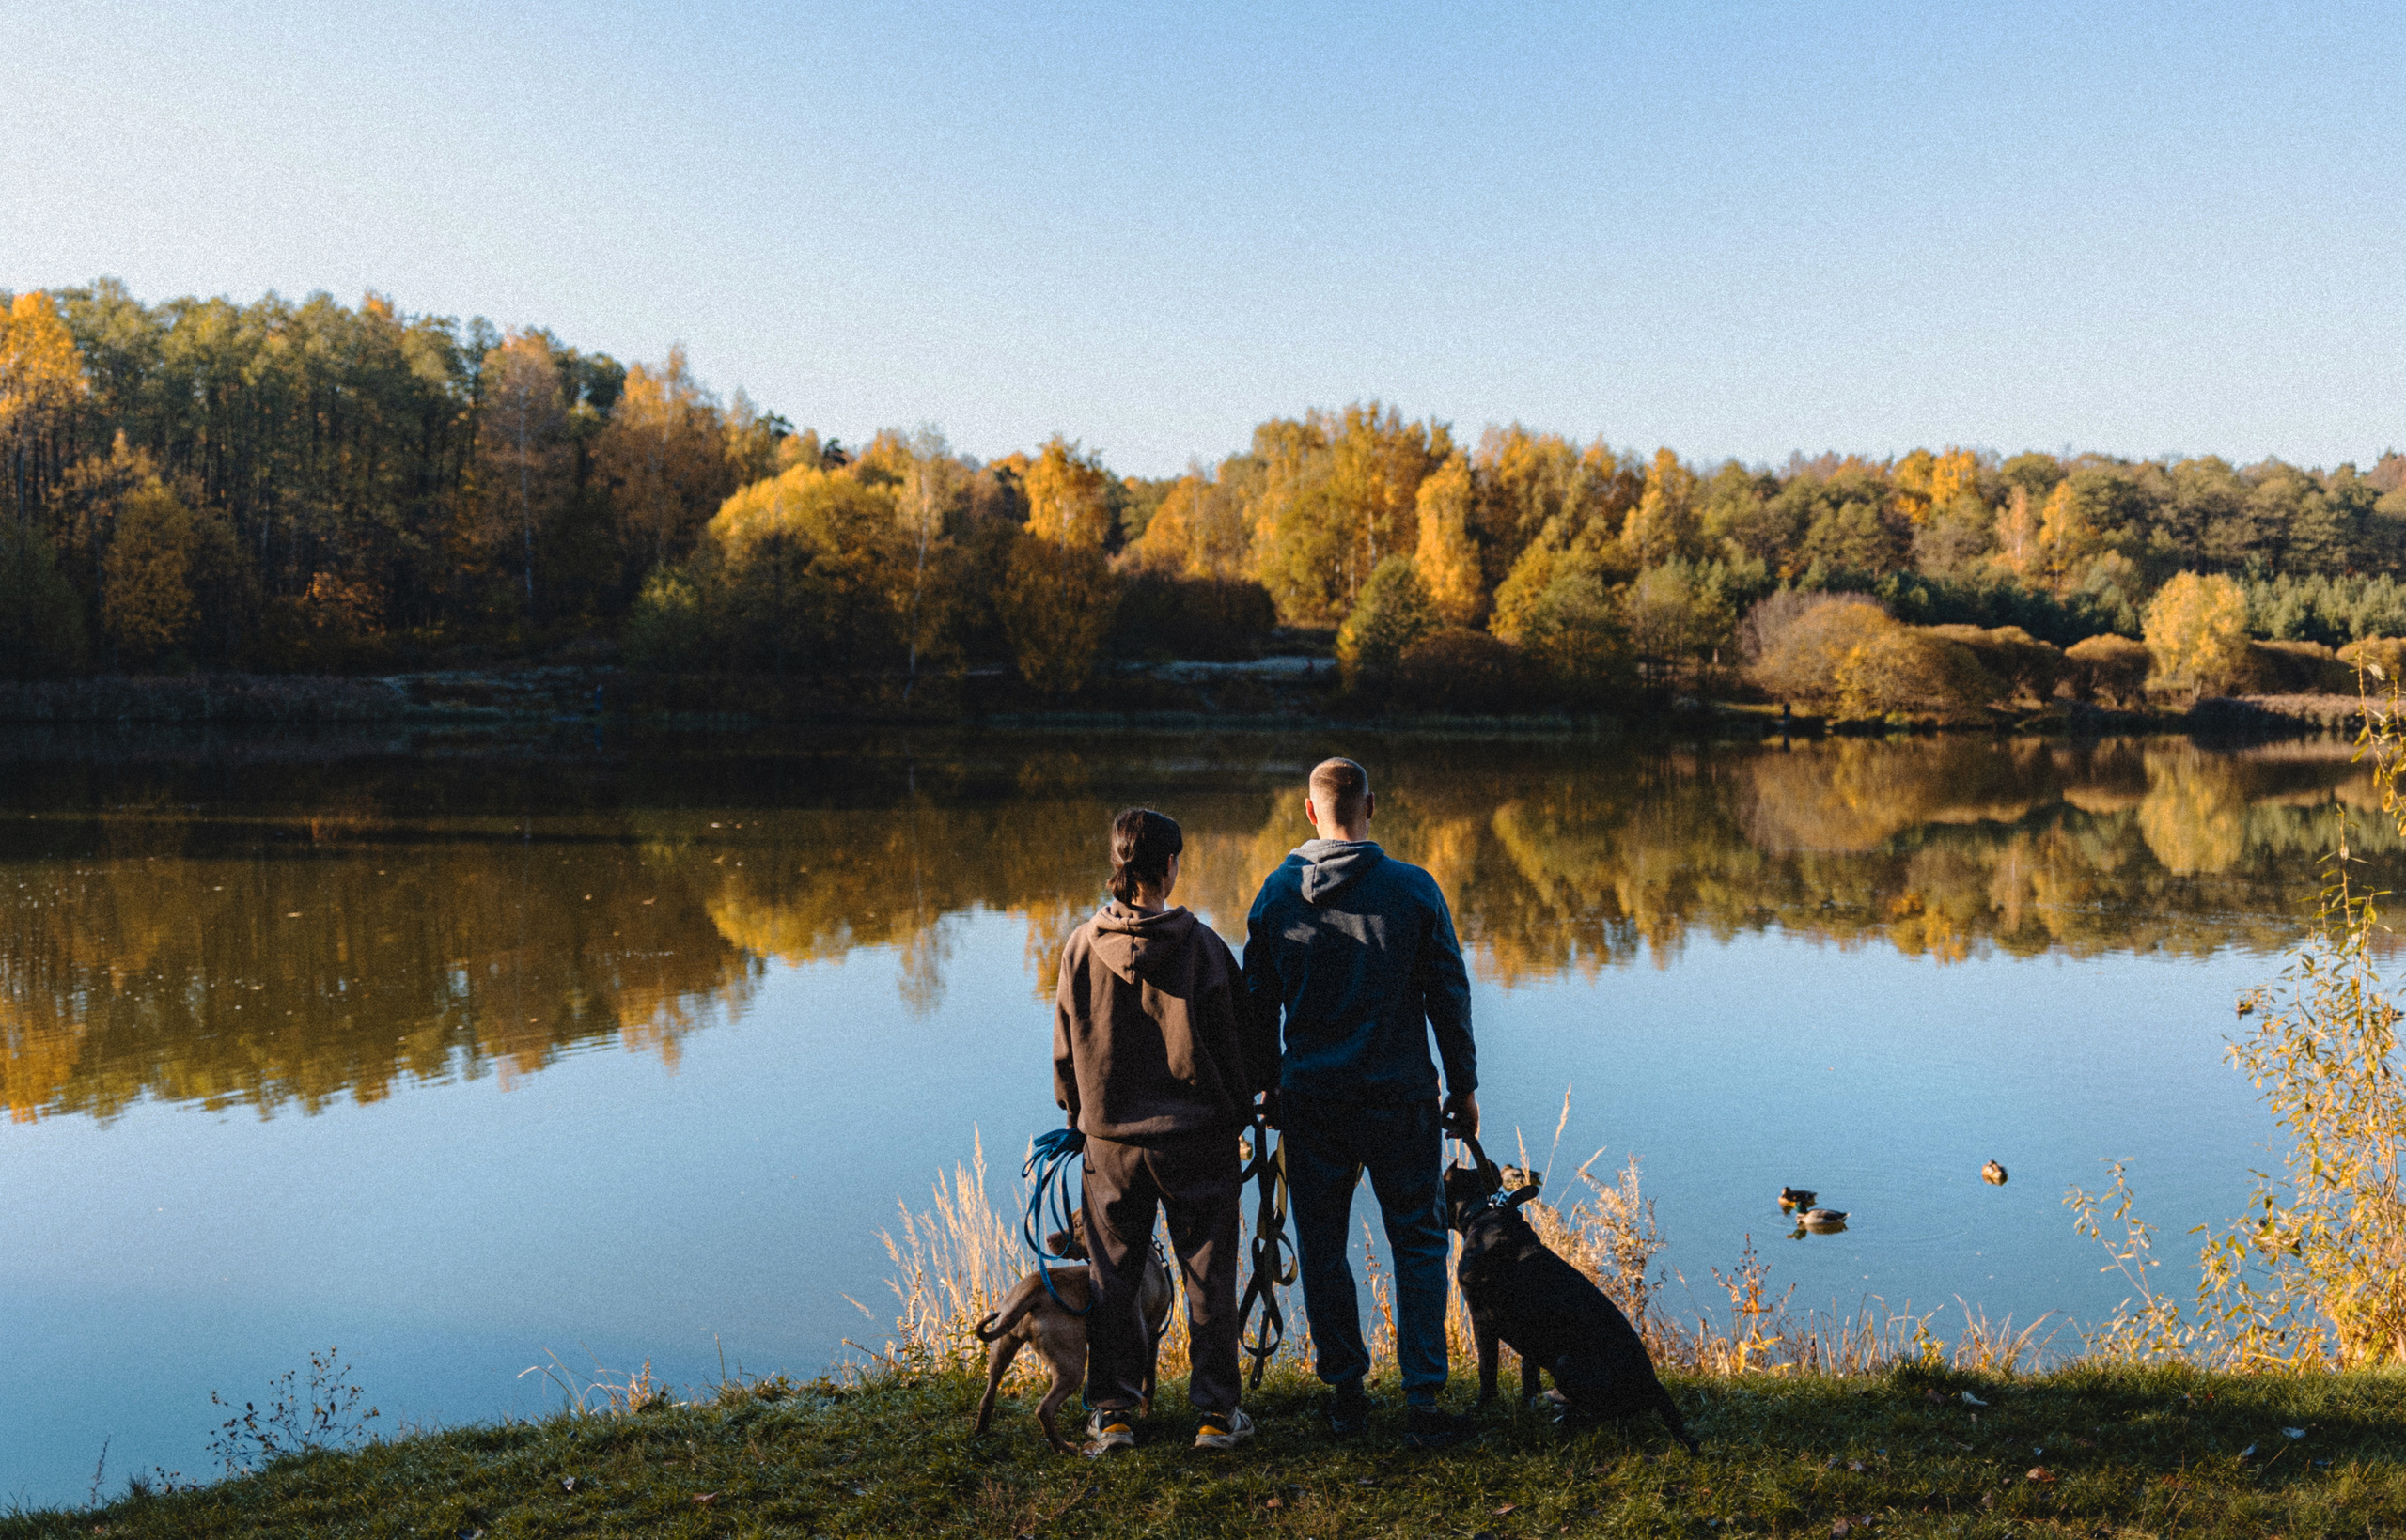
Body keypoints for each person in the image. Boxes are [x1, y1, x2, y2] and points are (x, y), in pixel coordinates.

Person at [1243, 756, 1477, 1447]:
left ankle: (1346, 1394)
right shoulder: (1413, 889)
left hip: (1313, 1101)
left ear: (1310, 812)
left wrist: (1265, 1080)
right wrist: (1463, 1086)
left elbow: (1255, 1004)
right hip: (1401, 1097)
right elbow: (1450, 995)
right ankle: (1424, 1401)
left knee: (1322, 1246)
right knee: (1419, 1239)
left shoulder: (1276, 897)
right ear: (1370, 806)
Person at [1053, 807, 1257, 1454]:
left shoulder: (1081, 945)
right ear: (1170, 865)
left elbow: (1065, 1048)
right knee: (1209, 1276)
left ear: (1118, 864)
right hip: (1198, 1140)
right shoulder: (1204, 948)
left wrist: (1073, 1116)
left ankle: (1114, 1413)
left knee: (1113, 1275)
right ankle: (1215, 1417)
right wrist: (1243, 1113)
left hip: (1111, 1143)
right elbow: (1239, 1048)